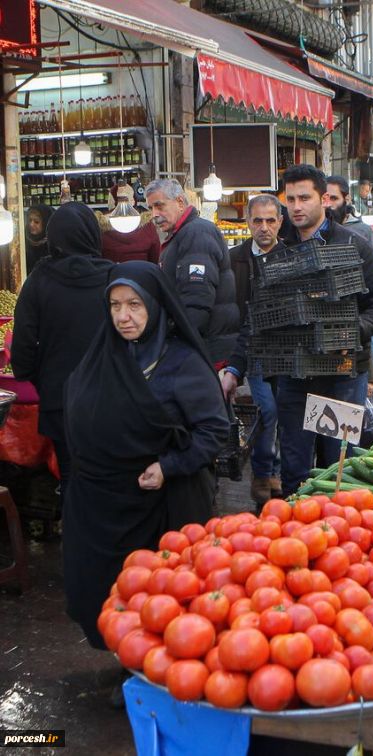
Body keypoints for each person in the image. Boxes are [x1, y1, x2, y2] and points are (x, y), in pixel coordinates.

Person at [63, 261, 229, 649]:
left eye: (135, 305)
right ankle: (125, 656)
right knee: (103, 589)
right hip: (103, 500)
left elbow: (214, 430)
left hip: (162, 503)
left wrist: (168, 466)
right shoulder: (102, 355)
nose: (124, 316)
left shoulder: (181, 363)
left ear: (155, 305)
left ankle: (151, 667)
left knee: (160, 595)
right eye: (115, 305)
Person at [222, 165, 373, 495]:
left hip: (342, 377)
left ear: (324, 199)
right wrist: (234, 367)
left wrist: (349, 331)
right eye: (291, 199)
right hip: (293, 378)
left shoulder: (355, 246)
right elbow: (257, 318)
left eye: (305, 198)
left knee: (337, 473)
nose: (297, 206)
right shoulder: (278, 250)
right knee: (296, 473)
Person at [12, 203, 114, 493]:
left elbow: (22, 347)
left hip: (60, 399)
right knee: (108, 475)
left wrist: (41, 380)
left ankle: (76, 535)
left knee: (71, 477)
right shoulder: (113, 278)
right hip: (108, 398)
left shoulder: (38, 281)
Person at [229, 194, 284, 506]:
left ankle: (274, 471)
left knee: (282, 413)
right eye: (258, 220)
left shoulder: (291, 256)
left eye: (270, 220)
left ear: (280, 222)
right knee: (267, 410)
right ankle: (263, 473)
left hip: (286, 350)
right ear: (248, 222)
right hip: (253, 349)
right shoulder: (234, 259)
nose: (264, 227)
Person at [146, 178, 240, 363]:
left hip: (205, 350)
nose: (154, 214)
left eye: (159, 206)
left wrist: (180, 344)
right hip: (202, 347)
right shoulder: (183, 235)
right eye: (151, 208)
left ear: (180, 202)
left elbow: (197, 297)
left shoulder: (196, 233)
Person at [325, 175, 373, 249]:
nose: (328, 204)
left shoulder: (362, 231)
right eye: (325, 199)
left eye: (334, 198)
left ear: (346, 199)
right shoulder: (316, 231)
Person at [97, 207, 161, 264]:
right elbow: (155, 259)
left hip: (111, 275)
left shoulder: (98, 228)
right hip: (143, 274)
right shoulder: (148, 227)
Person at [24, 204, 54, 274]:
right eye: (30, 220)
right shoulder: (23, 239)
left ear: (46, 223)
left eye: (36, 222)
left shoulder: (53, 243)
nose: (31, 224)